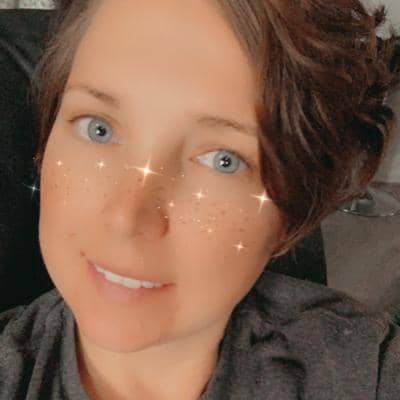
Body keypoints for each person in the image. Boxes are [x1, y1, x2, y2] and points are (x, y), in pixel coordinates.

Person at [1, 0, 400, 399]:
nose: (127, 217)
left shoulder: (370, 371)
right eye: (98, 128)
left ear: (292, 216)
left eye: (223, 161)